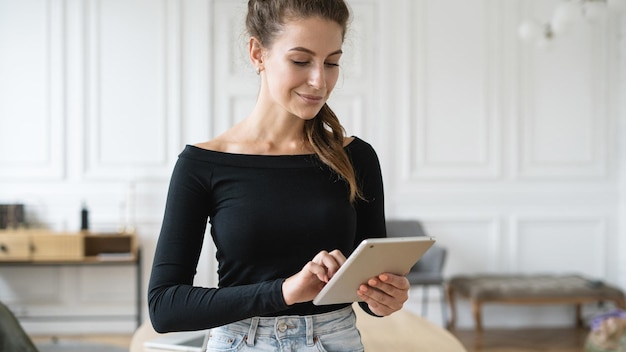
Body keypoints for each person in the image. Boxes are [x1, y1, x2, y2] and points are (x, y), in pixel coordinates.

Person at [147, 0, 410, 350]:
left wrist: (382, 298)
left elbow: (366, 291)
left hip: (335, 341)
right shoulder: (204, 164)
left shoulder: (356, 158)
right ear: (258, 53)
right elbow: (165, 307)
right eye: (301, 60)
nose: (320, 80)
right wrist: (284, 291)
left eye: (332, 62)